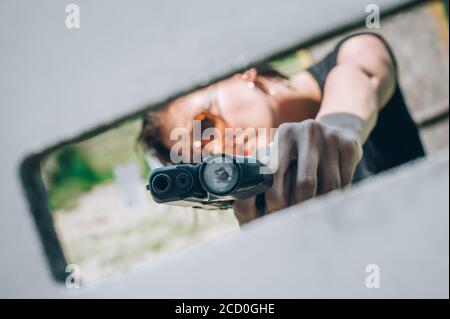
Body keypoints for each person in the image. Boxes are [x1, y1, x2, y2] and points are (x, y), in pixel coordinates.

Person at [138, 32, 425, 224]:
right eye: (202, 159)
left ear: (234, 73)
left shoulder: (355, 50)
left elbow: (360, 72)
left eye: (205, 123)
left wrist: (339, 128)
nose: (216, 148)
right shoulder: (267, 187)